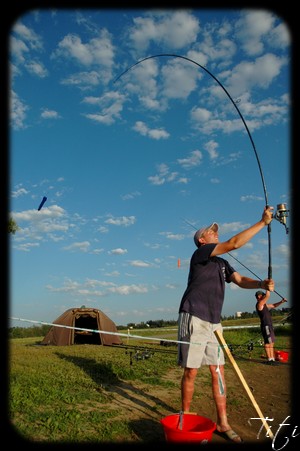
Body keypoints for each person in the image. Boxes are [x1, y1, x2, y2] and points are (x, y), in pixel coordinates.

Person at [177, 206, 275, 443]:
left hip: (214, 322)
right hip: (194, 316)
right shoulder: (200, 255)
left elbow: (240, 280)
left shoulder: (221, 264)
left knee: (218, 371)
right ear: (202, 240)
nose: (215, 233)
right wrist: (262, 223)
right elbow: (234, 243)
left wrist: (261, 283)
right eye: (212, 232)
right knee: (191, 371)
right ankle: (185, 417)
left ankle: (223, 423)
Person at [255, 290, 287, 365]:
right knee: (267, 343)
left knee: (271, 342)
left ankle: (272, 358)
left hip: (269, 325)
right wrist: (268, 288)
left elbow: (273, 305)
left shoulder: (264, 304)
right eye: (262, 295)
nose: (263, 296)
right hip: (266, 325)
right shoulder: (260, 303)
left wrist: (281, 301)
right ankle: (269, 359)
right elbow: (268, 296)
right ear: (259, 296)